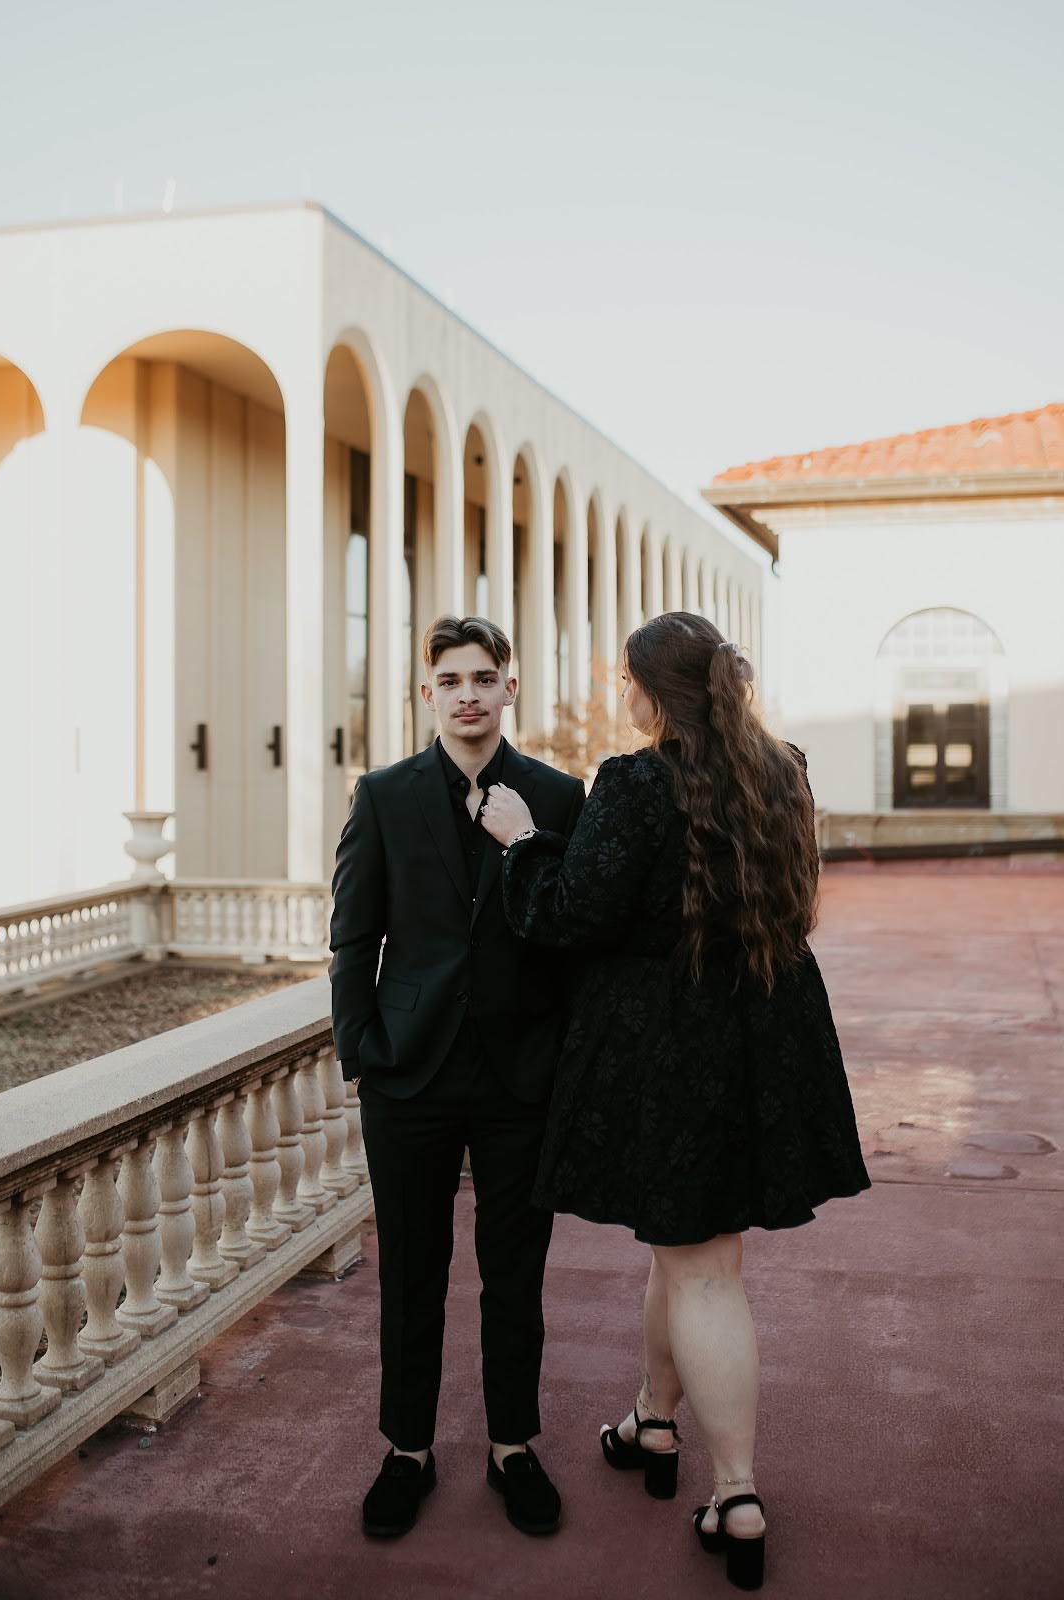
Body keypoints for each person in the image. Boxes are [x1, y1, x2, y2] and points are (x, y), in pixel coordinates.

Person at [481, 611, 870, 1591]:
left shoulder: (636, 779)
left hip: (670, 1047)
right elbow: (799, 896)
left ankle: (736, 1490)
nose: (624, 697)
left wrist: (521, 839)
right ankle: (652, 1423)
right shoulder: (783, 767)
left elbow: (571, 910)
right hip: (764, 1035)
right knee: (685, 1243)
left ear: (656, 690)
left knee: (704, 1271)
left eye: (629, 681)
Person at [329, 614, 585, 1541]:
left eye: (484, 677)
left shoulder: (559, 796)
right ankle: (407, 1450)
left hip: (521, 1079)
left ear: (509, 688)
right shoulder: (385, 795)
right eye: (449, 680)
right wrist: (359, 1053)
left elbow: (572, 938)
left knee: (514, 1277)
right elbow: (354, 937)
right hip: (409, 1078)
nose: (468, 693)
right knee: (413, 1274)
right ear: (426, 694)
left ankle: (513, 1446)